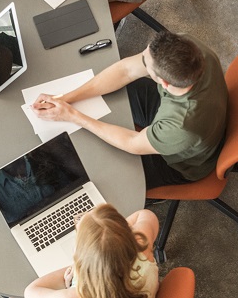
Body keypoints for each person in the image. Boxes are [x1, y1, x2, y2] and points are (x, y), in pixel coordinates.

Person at [32, 31, 227, 189]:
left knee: (104, 174)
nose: (142, 57)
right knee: (122, 89)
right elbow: (125, 70)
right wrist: (67, 98)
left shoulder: (182, 127)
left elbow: (131, 142)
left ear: (164, 83)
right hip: (186, 115)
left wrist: (73, 116)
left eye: (146, 63)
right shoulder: (192, 48)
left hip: (180, 163)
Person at [23, 205, 160, 298]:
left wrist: (77, 266)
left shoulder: (77, 293)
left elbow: (30, 291)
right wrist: (117, 233)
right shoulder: (143, 247)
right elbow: (146, 214)